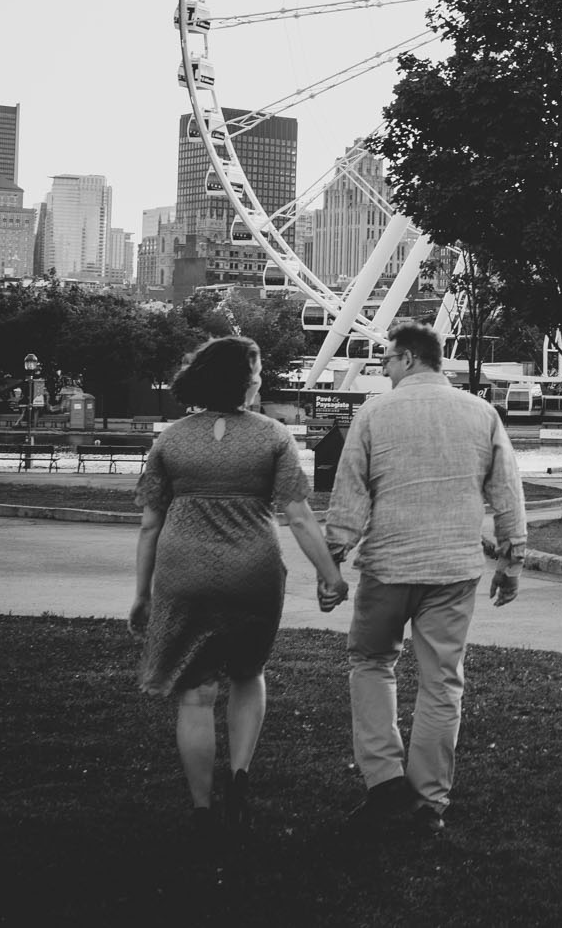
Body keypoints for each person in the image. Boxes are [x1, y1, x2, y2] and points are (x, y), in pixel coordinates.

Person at [130, 336, 349, 836]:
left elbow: (149, 525)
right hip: (253, 571)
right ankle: (241, 778)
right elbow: (297, 514)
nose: (260, 378)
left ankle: (202, 810)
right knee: (249, 673)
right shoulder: (274, 437)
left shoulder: (170, 440)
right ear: (241, 378)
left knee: (195, 693)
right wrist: (330, 574)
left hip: (184, 574)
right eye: (256, 369)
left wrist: (143, 594)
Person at [324, 320, 526, 837]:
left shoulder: (374, 412)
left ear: (410, 358)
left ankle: (386, 781)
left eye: (388, 360)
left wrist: (335, 556)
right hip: (454, 569)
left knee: (371, 662)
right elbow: (506, 490)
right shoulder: (481, 413)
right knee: (442, 682)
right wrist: (511, 558)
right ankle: (430, 798)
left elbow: (351, 490)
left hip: (389, 565)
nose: (385, 369)